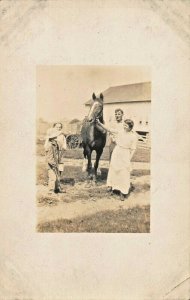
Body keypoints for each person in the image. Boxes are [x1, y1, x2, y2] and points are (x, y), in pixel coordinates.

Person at [96, 118, 137, 201]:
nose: (124, 126)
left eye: (126, 125)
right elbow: (109, 129)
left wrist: (129, 159)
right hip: (117, 151)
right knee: (114, 169)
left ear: (130, 127)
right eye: (124, 125)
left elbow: (133, 149)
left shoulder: (133, 136)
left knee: (124, 172)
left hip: (125, 153)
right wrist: (99, 123)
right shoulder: (120, 132)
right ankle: (112, 187)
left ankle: (123, 191)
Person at [45, 130, 67, 194]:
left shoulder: (55, 144)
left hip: (55, 163)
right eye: (55, 138)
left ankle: (57, 188)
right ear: (51, 139)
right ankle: (51, 191)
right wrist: (54, 164)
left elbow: (61, 149)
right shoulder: (49, 146)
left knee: (57, 177)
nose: (56, 139)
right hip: (51, 165)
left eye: (56, 137)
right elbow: (49, 158)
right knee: (53, 178)